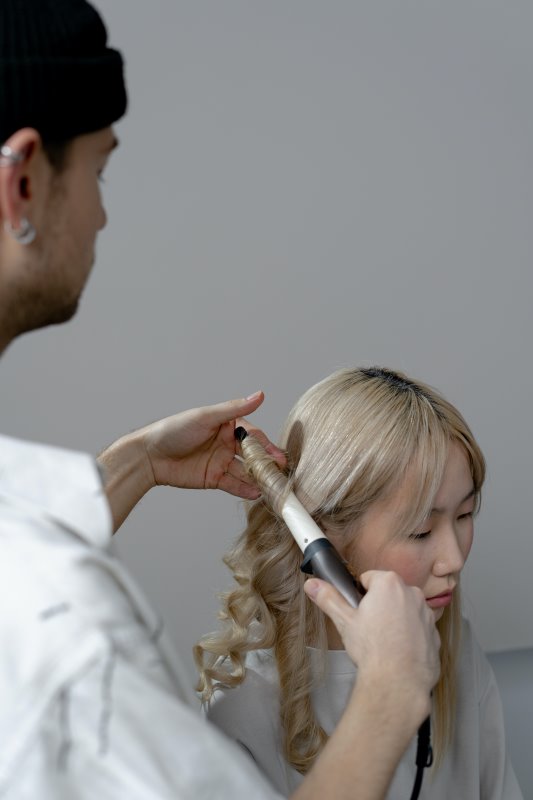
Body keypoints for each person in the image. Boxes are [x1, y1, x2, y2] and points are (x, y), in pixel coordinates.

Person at [0, 1, 440, 798]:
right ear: (22, 180)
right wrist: (388, 699)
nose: (102, 214)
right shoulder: (59, 616)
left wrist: (134, 464)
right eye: (97, 173)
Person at [196, 366, 524, 799]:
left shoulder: (456, 647)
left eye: (465, 516)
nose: (455, 559)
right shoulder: (242, 706)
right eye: (421, 532)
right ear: (324, 538)